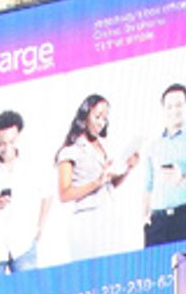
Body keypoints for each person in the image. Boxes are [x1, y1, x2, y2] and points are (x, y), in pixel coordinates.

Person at [55, 94, 137, 263]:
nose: (101, 122)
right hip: (86, 222)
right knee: (90, 277)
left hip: (109, 217)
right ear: (85, 115)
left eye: (105, 118)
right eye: (98, 117)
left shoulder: (103, 145)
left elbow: (111, 184)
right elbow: (64, 194)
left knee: (114, 273)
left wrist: (128, 168)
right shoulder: (70, 151)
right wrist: (96, 182)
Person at [0, 110, 50, 278]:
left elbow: (47, 193)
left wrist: (40, 227)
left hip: (23, 246)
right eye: (2, 143)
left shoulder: (31, 165)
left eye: (12, 141)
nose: (8, 148)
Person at [141, 83, 186, 249]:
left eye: (179, 105)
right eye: (169, 106)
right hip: (158, 223)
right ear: (164, 110)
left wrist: (181, 178)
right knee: (155, 272)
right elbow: (147, 186)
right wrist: (145, 215)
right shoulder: (153, 146)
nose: (174, 111)